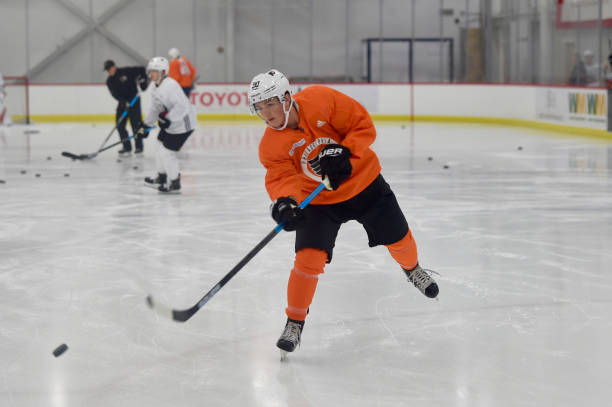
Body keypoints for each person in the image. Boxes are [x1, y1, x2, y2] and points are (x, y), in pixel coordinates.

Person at [248, 69, 439, 357]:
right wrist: (287, 202)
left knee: (398, 238)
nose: (267, 113)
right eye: (259, 108)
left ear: (287, 98)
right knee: (307, 259)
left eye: (271, 103)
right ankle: (294, 322)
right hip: (320, 202)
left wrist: (345, 152)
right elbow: (282, 179)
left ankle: (413, 270)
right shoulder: (270, 144)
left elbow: (362, 126)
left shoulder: (320, 99)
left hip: (365, 185)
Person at [138, 56, 196, 193]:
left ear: (163, 72)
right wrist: (145, 125)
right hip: (172, 123)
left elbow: (182, 107)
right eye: (150, 71)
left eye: (154, 71)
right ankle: (161, 177)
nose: (150, 74)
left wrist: (168, 119)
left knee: (167, 153)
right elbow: (155, 108)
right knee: (158, 145)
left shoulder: (171, 86)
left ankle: (175, 183)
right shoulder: (155, 87)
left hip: (183, 124)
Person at [104, 59, 148, 155]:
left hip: (134, 101)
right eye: (107, 70)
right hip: (123, 104)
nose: (108, 71)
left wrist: (143, 81)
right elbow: (114, 94)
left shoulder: (126, 71)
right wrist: (123, 102)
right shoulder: (109, 81)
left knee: (136, 125)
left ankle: (139, 147)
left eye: (109, 69)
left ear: (114, 66)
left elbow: (142, 69)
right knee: (120, 125)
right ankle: (127, 146)